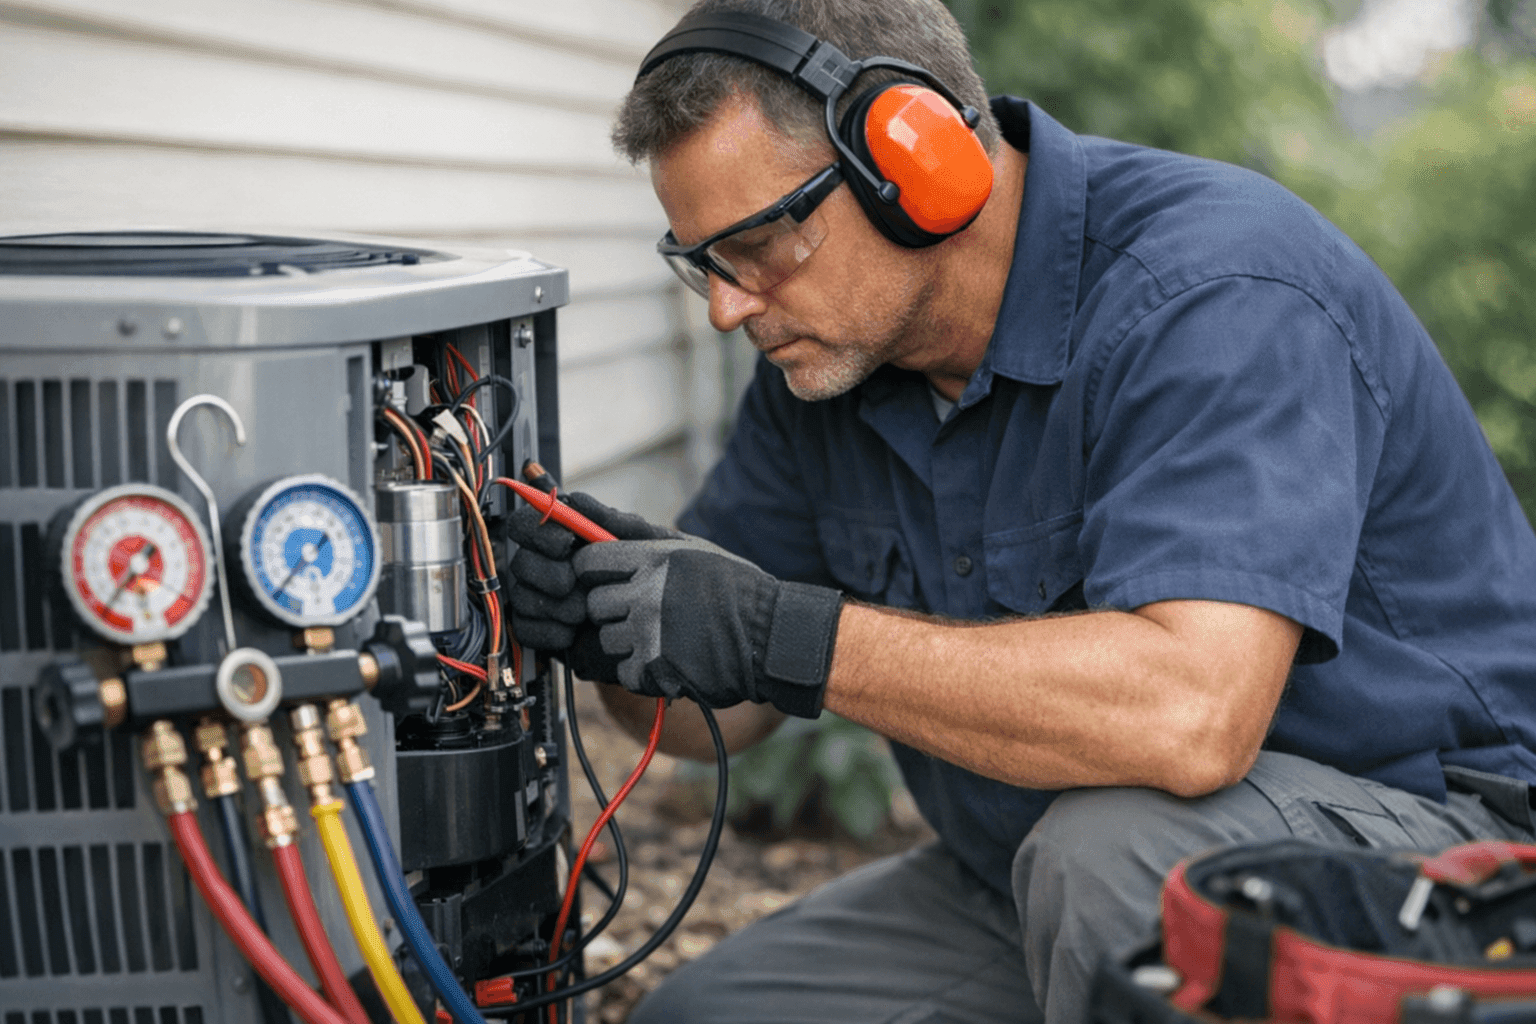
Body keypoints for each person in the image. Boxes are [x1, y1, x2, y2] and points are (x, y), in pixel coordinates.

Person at [502, 1, 1536, 1020]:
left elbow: (1191, 717)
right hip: (1036, 872)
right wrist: (625, 624)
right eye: (703, 265)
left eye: (761, 243)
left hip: (1439, 858)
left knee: (1108, 856)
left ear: (917, 164)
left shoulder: (1216, 290)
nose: (730, 304)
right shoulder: (821, 372)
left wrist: (788, 634)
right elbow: (713, 716)